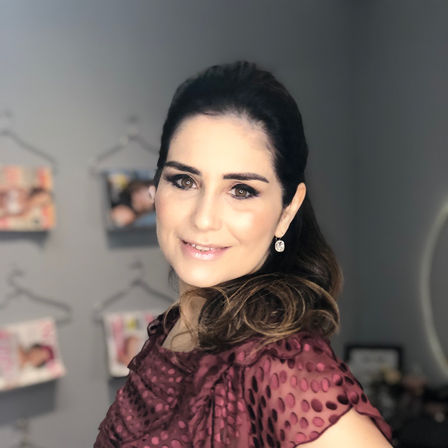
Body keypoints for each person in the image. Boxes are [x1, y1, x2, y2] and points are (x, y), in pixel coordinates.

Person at [94, 61, 394, 447]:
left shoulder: (278, 366)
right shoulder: (175, 328)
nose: (203, 218)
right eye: (184, 180)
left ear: (287, 210)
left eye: (241, 190)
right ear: (156, 187)